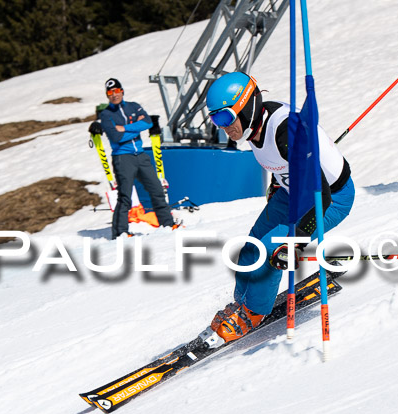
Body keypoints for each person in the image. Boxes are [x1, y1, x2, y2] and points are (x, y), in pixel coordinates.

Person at [203, 71, 354, 345]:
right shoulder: (251, 127)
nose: (222, 126)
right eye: (215, 119)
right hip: (290, 192)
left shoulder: (287, 132)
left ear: (246, 106)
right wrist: (275, 184)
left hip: (329, 197)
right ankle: (243, 304)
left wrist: (296, 242)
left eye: (225, 117)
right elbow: (279, 161)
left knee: (270, 250)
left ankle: (254, 313)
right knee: (251, 248)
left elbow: (323, 195)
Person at [93, 78, 175, 239]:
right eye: (110, 92)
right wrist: (135, 129)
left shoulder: (133, 106)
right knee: (125, 196)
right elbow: (115, 137)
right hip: (123, 158)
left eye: (117, 91)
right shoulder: (106, 114)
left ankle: (168, 224)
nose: (114, 95)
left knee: (157, 190)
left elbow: (147, 122)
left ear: (122, 91)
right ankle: (120, 232)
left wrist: (125, 128)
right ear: (107, 95)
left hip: (141, 156)